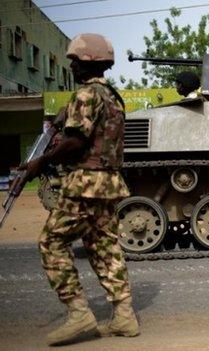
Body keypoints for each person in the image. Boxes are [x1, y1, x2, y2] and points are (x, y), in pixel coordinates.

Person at [18, 33, 139, 345]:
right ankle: (124, 317)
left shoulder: (85, 96)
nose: (71, 66)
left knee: (51, 242)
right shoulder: (112, 96)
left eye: (74, 60)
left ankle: (78, 313)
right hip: (109, 183)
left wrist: (41, 161)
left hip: (85, 183)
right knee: (105, 248)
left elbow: (77, 143)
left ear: (88, 62)